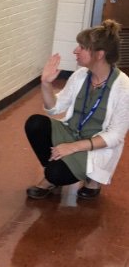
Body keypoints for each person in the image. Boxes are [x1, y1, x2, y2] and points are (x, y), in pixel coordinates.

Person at [25, 20, 129, 200]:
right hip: (71, 133)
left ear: (99, 54)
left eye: (82, 47)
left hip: (95, 147)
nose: (75, 51)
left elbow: (115, 136)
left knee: (56, 173)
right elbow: (54, 108)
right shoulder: (81, 75)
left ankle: (90, 179)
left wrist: (73, 147)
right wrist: (46, 83)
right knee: (35, 123)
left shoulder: (124, 87)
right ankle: (53, 174)